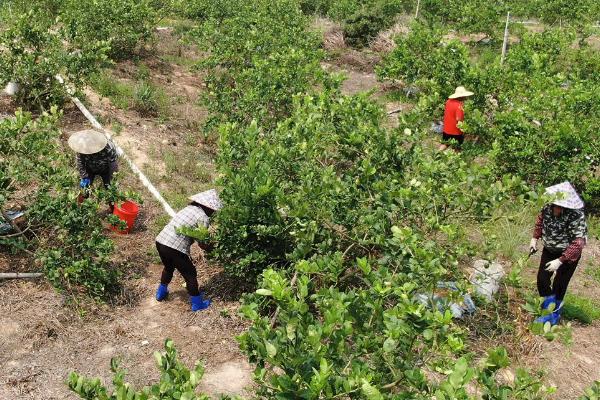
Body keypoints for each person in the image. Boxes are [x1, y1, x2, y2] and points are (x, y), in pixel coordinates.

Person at [529, 182, 587, 326]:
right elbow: (540, 222)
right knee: (542, 279)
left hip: (568, 254)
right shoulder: (547, 208)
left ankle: (553, 316)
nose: (556, 208)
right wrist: (534, 239)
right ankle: (548, 308)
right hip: (550, 249)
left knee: (559, 284)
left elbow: (578, 243)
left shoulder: (576, 216)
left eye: (560, 206)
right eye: (555, 205)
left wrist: (560, 261)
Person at [155, 189, 222, 311]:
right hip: (174, 247)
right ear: (208, 207)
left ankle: (161, 292)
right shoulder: (203, 217)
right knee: (190, 274)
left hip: (161, 241)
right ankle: (197, 304)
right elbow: (202, 243)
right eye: (213, 210)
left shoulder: (188, 209)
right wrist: (214, 249)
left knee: (168, 267)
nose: (213, 213)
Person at [68, 129, 119, 194]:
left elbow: (113, 165)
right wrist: (84, 176)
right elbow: (80, 162)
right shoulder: (81, 147)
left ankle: (111, 201)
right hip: (89, 169)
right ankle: (83, 200)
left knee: (111, 190)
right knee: (84, 191)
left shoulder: (109, 148)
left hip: (106, 169)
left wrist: (113, 179)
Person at [440, 86, 474, 150]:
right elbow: (459, 121)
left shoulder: (448, 102)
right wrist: (466, 130)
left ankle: (436, 157)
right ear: (461, 96)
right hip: (456, 132)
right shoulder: (459, 105)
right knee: (457, 149)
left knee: (444, 144)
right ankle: (455, 159)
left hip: (446, 129)